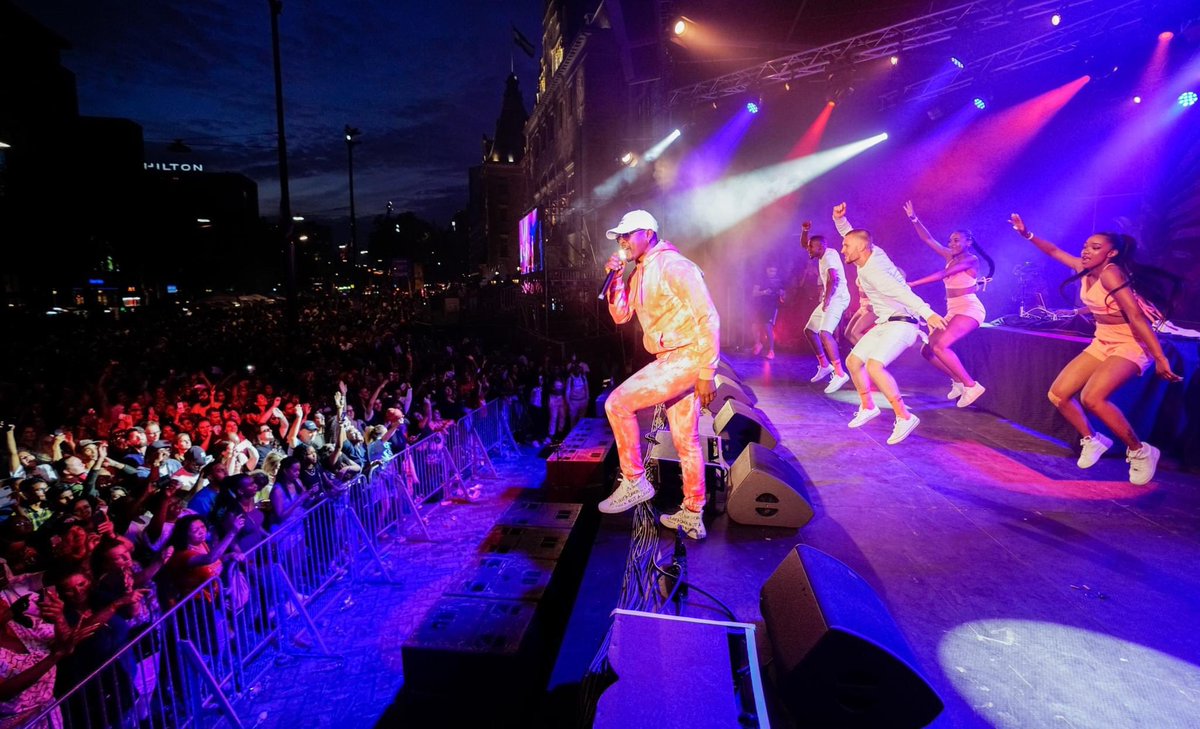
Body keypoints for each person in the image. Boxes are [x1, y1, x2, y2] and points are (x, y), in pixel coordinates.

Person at [1009, 214, 1181, 484]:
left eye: (1095, 247)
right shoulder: (1084, 268)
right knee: (1058, 394)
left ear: (1111, 253)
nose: (1086, 251)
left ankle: (1140, 451)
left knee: (1092, 398)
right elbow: (1053, 251)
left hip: (1130, 342)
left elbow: (1136, 316)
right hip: (1103, 339)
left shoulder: (1111, 273)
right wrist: (1026, 234)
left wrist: (1159, 357)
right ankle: (1093, 439)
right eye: (1086, 246)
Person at [600, 210, 720, 540]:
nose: (622, 240)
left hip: (686, 356)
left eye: (628, 234)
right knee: (686, 440)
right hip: (672, 357)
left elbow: (708, 317)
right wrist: (615, 280)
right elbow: (621, 316)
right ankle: (693, 513)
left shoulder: (675, 265)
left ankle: (634, 480)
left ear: (648, 234)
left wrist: (708, 370)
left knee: (617, 404)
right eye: (620, 236)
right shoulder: (637, 273)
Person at [833, 203, 947, 444]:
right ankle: (868, 406)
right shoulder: (872, 251)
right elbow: (854, 237)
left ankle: (905, 417)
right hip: (887, 322)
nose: (842, 249)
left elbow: (902, 293)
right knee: (853, 361)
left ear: (860, 248)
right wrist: (840, 221)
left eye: (845, 246)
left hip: (903, 324)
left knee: (874, 366)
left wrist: (928, 314)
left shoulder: (875, 272)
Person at [902, 201, 995, 408]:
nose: (951, 244)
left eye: (956, 240)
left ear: (968, 242)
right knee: (928, 350)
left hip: (969, 309)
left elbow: (943, 274)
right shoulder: (950, 256)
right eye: (950, 240)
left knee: (940, 346)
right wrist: (914, 218)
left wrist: (912, 284)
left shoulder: (971, 259)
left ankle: (971, 385)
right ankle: (958, 381)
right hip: (953, 310)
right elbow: (928, 239)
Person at [800, 221, 851, 393]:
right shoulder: (822, 254)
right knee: (810, 331)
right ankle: (824, 365)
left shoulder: (829, 257)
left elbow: (833, 278)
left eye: (811, 247)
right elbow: (804, 244)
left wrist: (827, 299)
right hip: (829, 298)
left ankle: (840, 373)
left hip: (837, 298)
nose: (808, 249)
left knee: (824, 333)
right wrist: (805, 231)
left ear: (820, 247)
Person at [750, 264, 785, 360]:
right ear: (767, 270)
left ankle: (771, 351)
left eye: (774, 271)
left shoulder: (779, 282)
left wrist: (782, 295)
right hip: (760, 306)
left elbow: (783, 298)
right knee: (754, 326)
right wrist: (764, 292)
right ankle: (758, 344)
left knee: (768, 327)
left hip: (772, 307)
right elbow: (754, 293)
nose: (773, 273)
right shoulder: (761, 280)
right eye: (771, 271)